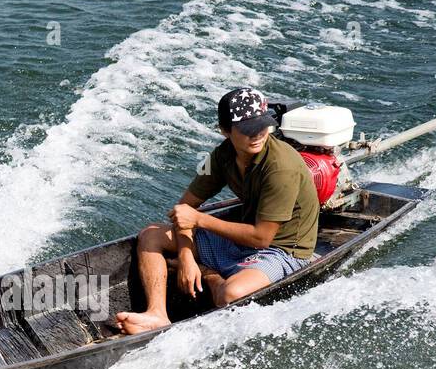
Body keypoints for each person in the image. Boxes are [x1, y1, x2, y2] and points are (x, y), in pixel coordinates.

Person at [116, 87, 321, 335]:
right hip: (242, 240)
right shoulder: (220, 156)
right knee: (150, 235)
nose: (256, 135)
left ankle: (210, 276)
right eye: (246, 129)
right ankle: (157, 314)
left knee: (230, 293)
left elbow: (262, 238)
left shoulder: (280, 167)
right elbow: (183, 210)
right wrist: (186, 257)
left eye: (262, 126)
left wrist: (199, 223)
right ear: (225, 131)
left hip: (284, 250)